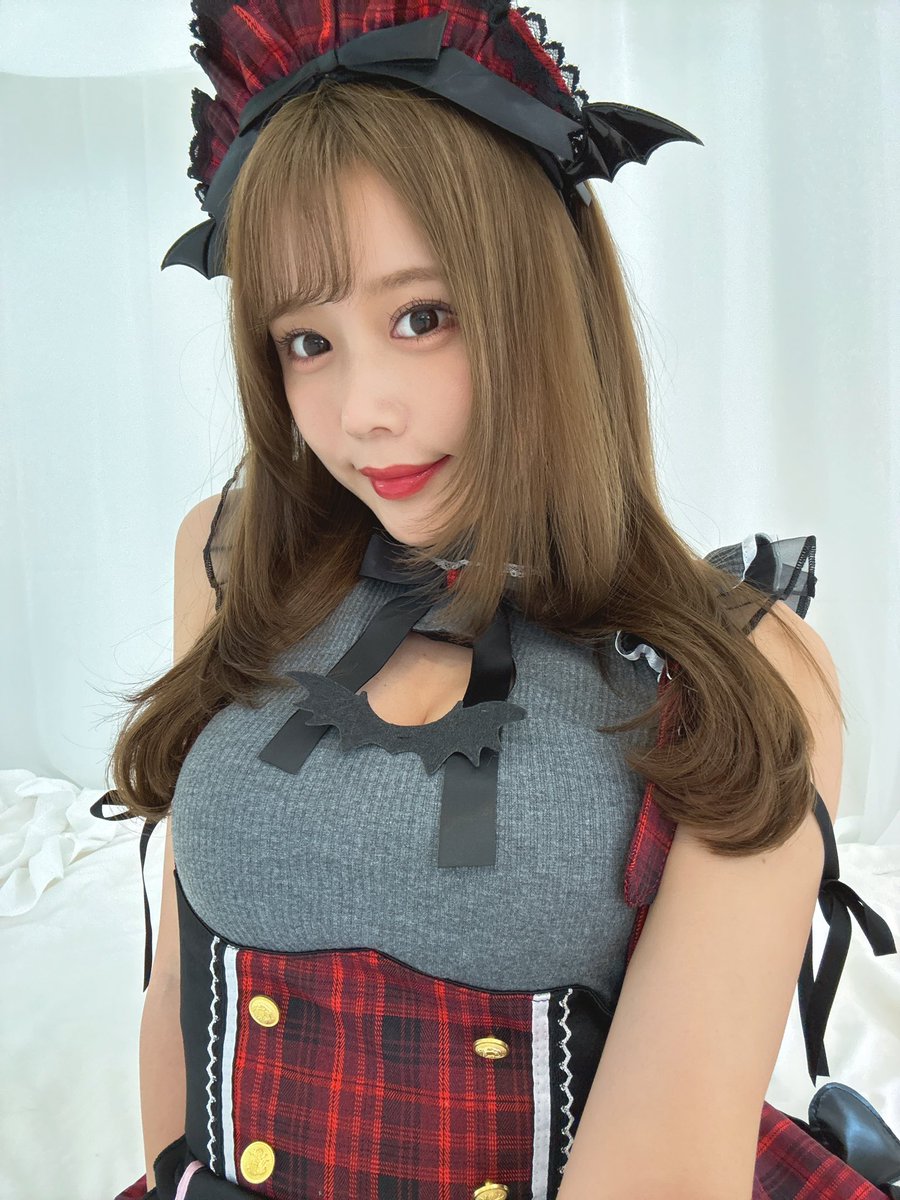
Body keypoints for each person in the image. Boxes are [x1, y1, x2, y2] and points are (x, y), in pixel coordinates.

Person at [95, 3, 899, 1198]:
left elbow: (663, 1175)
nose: (363, 411)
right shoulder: (228, 558)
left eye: (422, 317)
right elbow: (178, 986)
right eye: (308, 341)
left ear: (542, 298)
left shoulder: (747, 663)